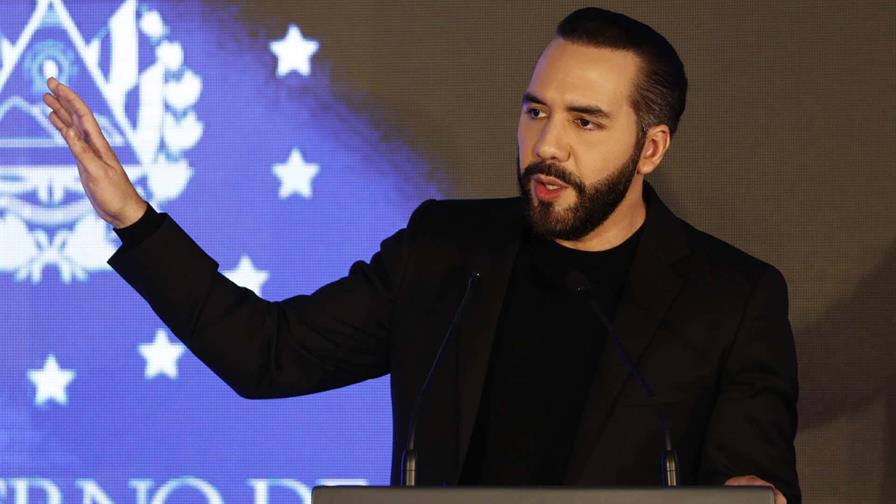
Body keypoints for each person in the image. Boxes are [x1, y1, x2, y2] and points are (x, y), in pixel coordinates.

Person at [43, 7, 799, 504]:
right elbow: (266, 355)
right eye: (536, 111)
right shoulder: (445, 251)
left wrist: (754, 490)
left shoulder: (732, 298)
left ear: (651, 148)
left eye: (586, 122)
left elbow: (753, 475)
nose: (548, 145)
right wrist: (133, 219)